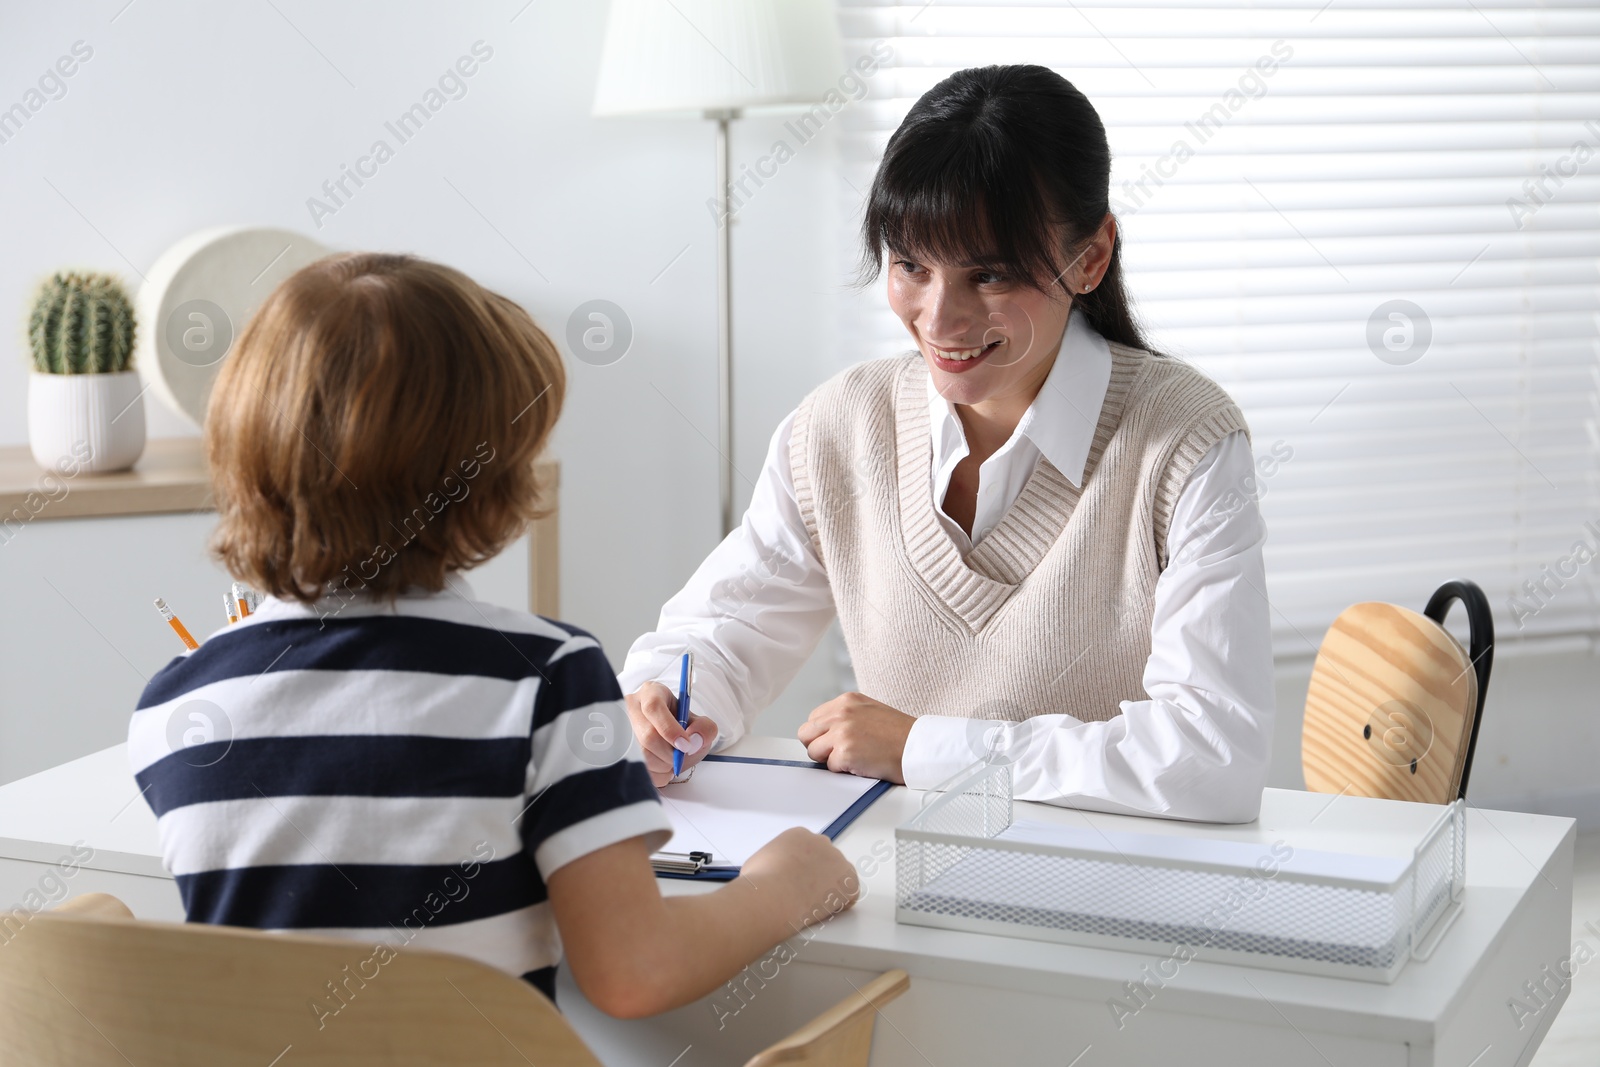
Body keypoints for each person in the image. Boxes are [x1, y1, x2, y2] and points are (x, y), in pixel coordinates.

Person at [127, 252, 857, 1019]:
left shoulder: (174, 706)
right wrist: (789, 883)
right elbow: (635, 971)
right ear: (495, 482)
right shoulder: (545, 679)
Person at [621, 65, 1276, 824]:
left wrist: (921, 748)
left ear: (1090, 258)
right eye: (911, 266)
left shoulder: (1186, 440)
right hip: (900, 886)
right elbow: (727, 630)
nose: (940, 319)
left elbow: (1211, 758)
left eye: (989, 274)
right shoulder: (838, 427)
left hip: (1112, 899)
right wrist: (662, 696)